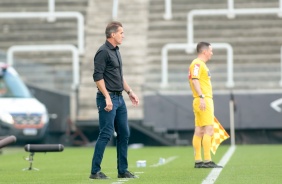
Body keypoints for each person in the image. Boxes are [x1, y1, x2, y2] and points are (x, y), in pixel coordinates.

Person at [90, 21, 139, 179]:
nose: (123, 36)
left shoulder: (116, 51)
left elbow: (118, 76)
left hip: (120, 98)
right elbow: (97, 77)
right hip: (108, 98)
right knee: (106, 134)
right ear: (112, 34)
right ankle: (95, 171)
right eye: (121, 33)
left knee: (124, 133)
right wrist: (106, 97)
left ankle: (122, 170)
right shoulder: (103, 51)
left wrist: (130, 91)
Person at [188, 42, 222, 168]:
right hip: (203, 99)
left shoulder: (199, 64)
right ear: (204, 51)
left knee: (199, 130)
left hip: (200, 99)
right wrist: (202, 96)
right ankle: (207, 160)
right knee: (208, 129)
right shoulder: (197, 64)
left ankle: (198, 161)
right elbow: (195, 79)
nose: (211, 53)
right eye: (210, 50)